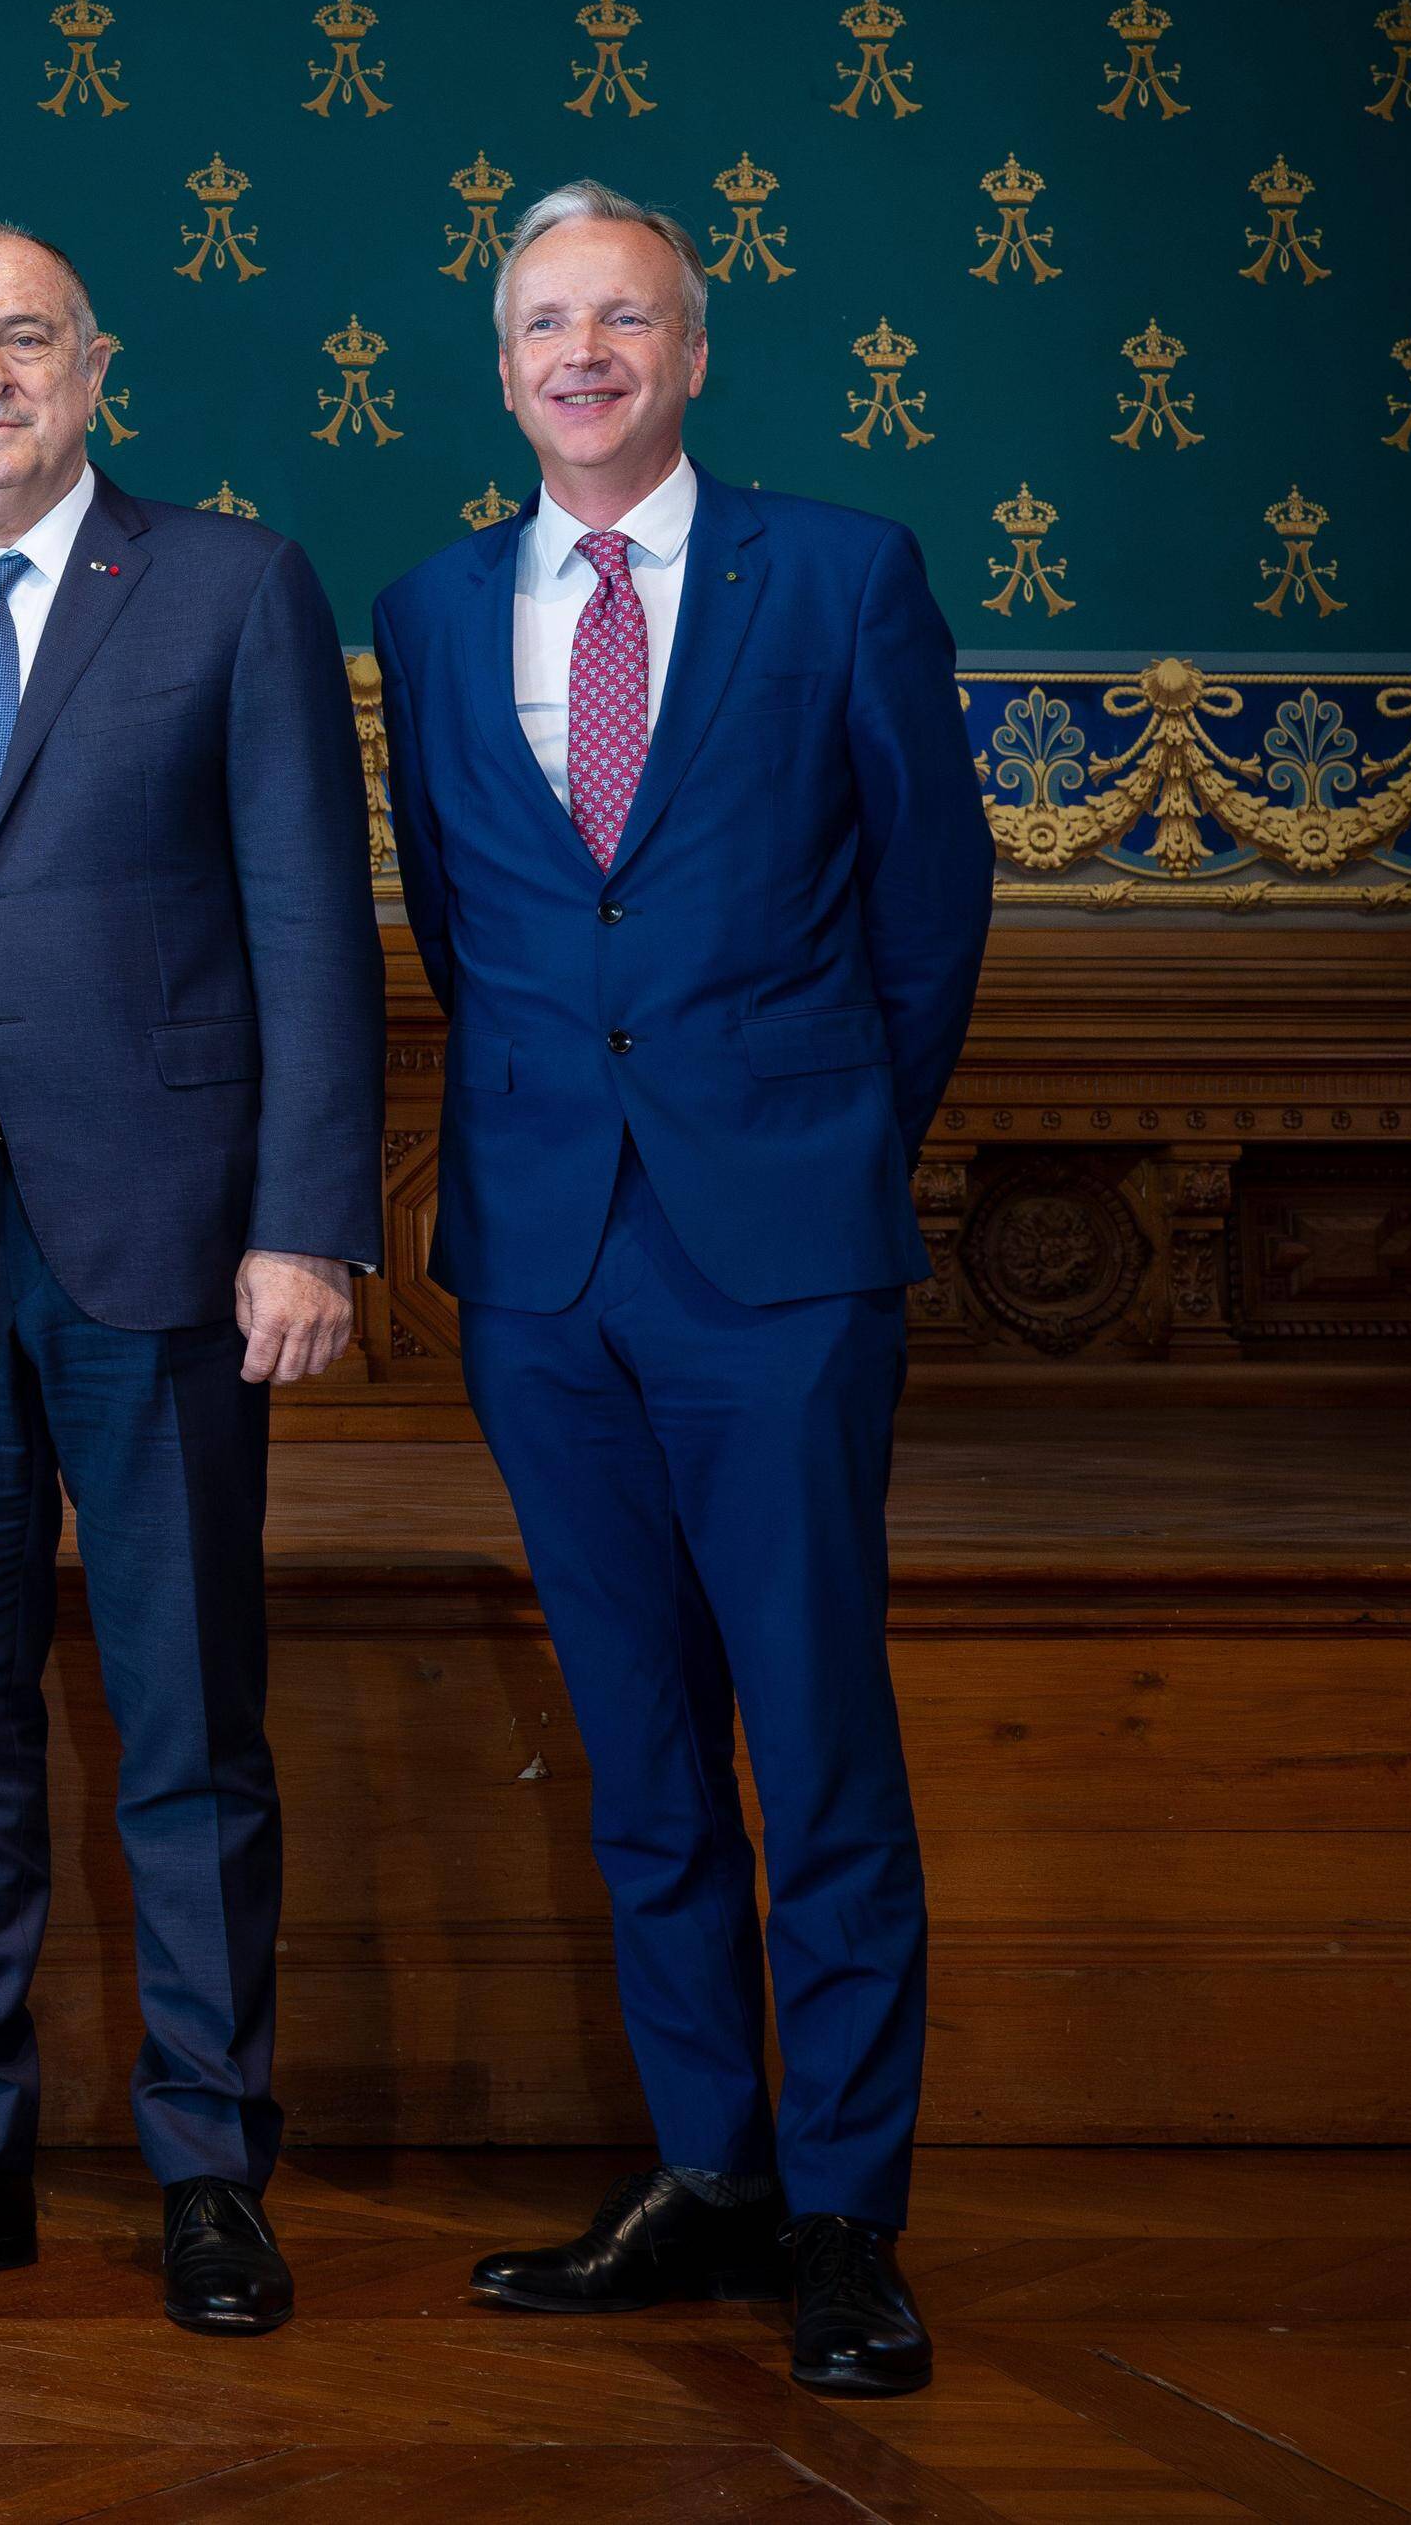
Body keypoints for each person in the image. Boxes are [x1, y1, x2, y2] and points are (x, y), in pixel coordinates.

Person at [371, 180, 991, 2401]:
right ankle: (707, 2171)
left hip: (779, 1255)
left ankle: (846, 2211)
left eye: (625, 317)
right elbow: (464, 919)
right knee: (637, 1750)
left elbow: (927, 911)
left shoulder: (837, 573)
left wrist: (815, 1137)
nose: (583, 353)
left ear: (692, 351)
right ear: (502, 359)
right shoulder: (434, 610)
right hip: (542, 1262)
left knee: (815, 1738)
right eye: (546, 321)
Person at [0, 227, 380, 2336]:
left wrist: (307, 1217)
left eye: (27, 335)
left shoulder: (226, 588)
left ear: (93, 367)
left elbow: (308, 921)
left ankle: (210, 2163)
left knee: (190, 1714)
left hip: (174, 1239)